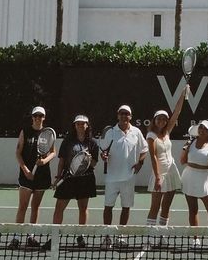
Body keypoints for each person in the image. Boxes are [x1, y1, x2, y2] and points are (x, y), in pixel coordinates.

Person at [99, 104, 148, 245]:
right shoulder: (110, 132)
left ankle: (120, 236)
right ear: (118, 115)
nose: (124, 116)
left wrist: (140, 163)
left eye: (127, 114)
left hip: (129, 177)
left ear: (130, 116)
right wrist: (104, 157)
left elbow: (144, 149)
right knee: (108, 207)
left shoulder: (137, 132)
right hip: (112, 178)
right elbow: (103, 152)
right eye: (121, 113)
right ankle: (107, 236)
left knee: (126, 207)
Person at [145, 86, 188, 240]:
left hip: (171, 171)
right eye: (159, 119)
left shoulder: (167, 131)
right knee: (155, 206)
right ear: (154, 121)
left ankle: (162, 234)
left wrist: (183, 94)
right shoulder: (151, 136)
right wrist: (157, 177)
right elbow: (153, 157)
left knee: (167, 205)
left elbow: (177, 112)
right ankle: (150, 237)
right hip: (159, 173)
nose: (162, 121)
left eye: (164, 118)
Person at [11, 105, 55, 248]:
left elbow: (53, 152)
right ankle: (16, 238)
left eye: (40, 116)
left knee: (35, 207)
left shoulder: (48, 133)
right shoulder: (25, 131)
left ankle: (31, 236)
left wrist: (44, 161)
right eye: (35, 115)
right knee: (22, 206)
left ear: (44, 117)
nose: (38, 118)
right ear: (32, 117)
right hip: (26, 177)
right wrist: (26, 170)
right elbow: (18, 152)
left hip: (42, 176)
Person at [52, 114, 99, 244]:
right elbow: (61, 159)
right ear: (74, 125)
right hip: (67, 178)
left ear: (87, 125)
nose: (80, 125)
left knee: (83, 208)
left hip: (85, 179)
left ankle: (81, 236)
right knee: (59, 208)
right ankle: (55, 236)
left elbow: (95, 163)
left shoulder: (93, 143)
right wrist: (58, 176)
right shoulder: (68, 141)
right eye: (77, 123)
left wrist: (88, 160)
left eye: (82, 123)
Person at [180, 119, 208, 247]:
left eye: (205, 129)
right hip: (189, 177)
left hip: (204, 178)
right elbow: (182, 161)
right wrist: (185, 149)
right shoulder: (190, 142)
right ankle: (195, 238)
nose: (202, 130)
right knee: (193, 210)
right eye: (201, 128)